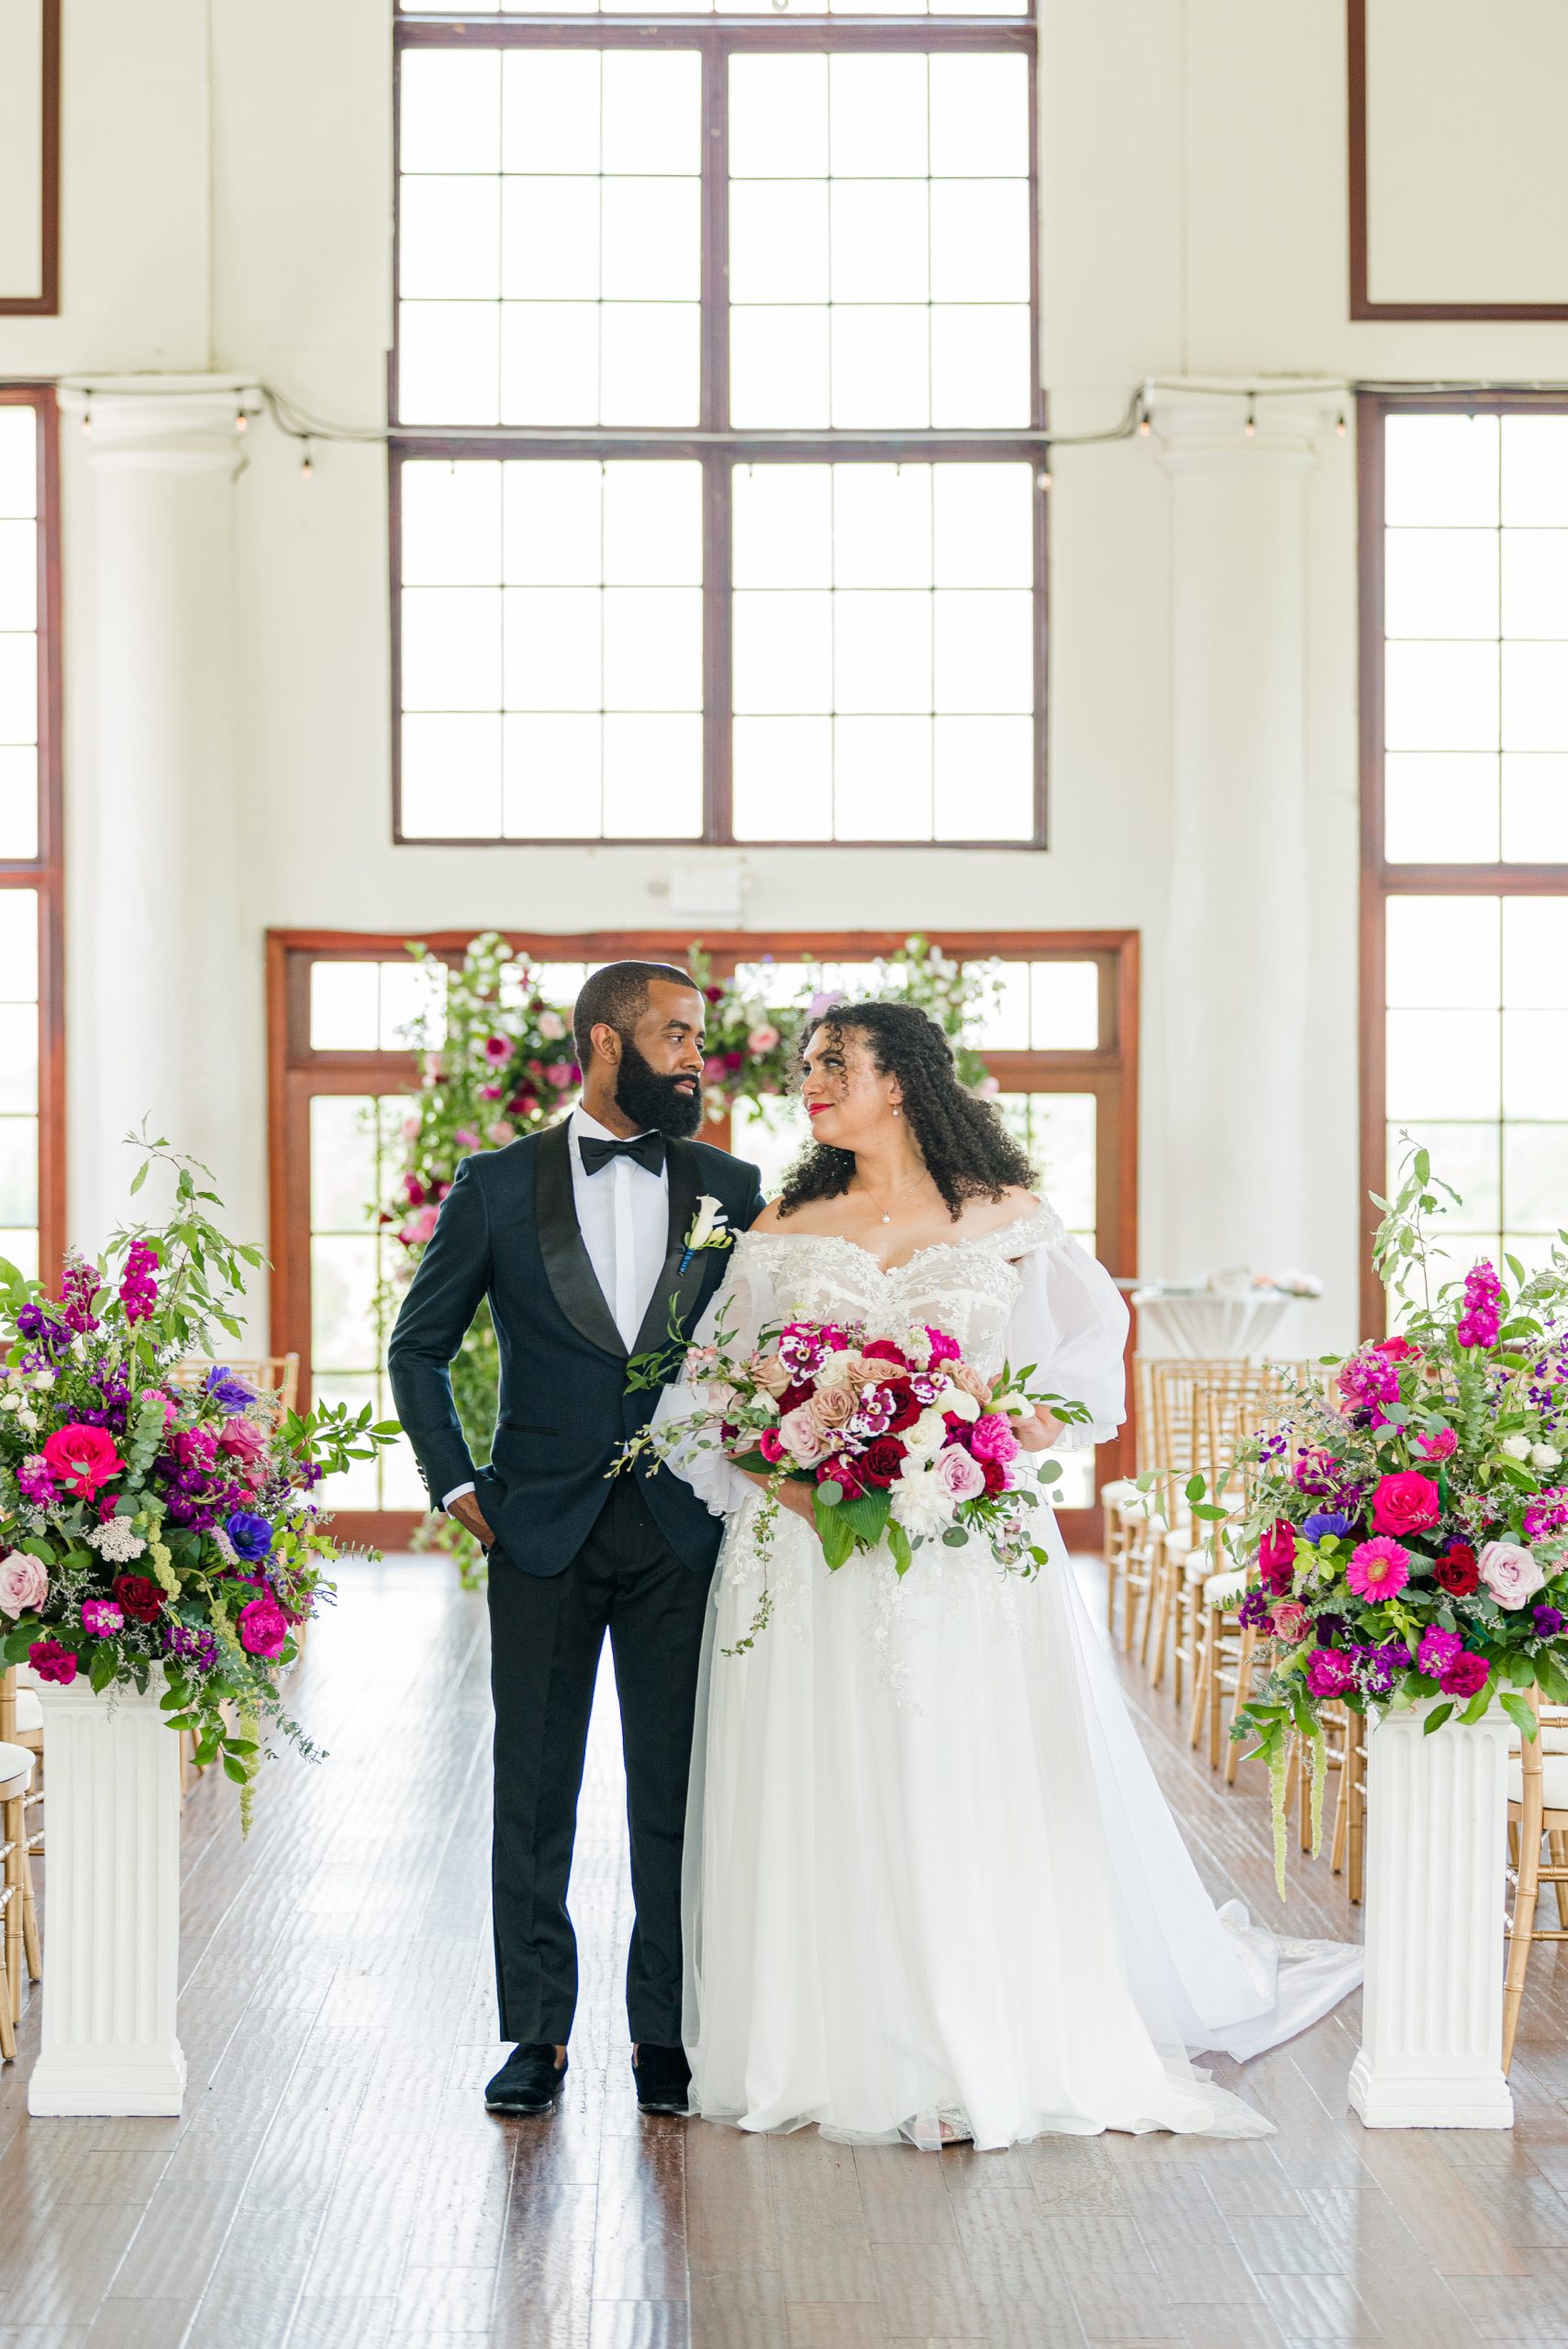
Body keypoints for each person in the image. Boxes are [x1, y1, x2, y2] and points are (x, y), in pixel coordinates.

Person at [655, 999, 1362, 2150]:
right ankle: (830, 2036)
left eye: (835, 1062)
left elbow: (1091, 1364)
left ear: (901, 1081)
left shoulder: (1010, 1220)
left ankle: (975, 2031)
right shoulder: (781, 1223)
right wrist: (791, 1477)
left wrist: (1010, 1429)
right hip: (803, 1554)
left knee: (959, 1773)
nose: (811, 1081)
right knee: (824, 1772)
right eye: (806, 1066)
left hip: (963, 1548)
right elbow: (702, 1397)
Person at [389, 961, 766, 2121]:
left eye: (697, 1036)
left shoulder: (731, 1188)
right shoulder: (497, 1187)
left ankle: (664, 2031)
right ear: (607, 1044)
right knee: (533, 1793)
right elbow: (419, 1346)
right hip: (536, 1527)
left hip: (676, 1531)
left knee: (673, 1793)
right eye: (675, 1035)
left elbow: (765, 1351)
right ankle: (535, 2035)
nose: (695, 1056)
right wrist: (458, 1486)